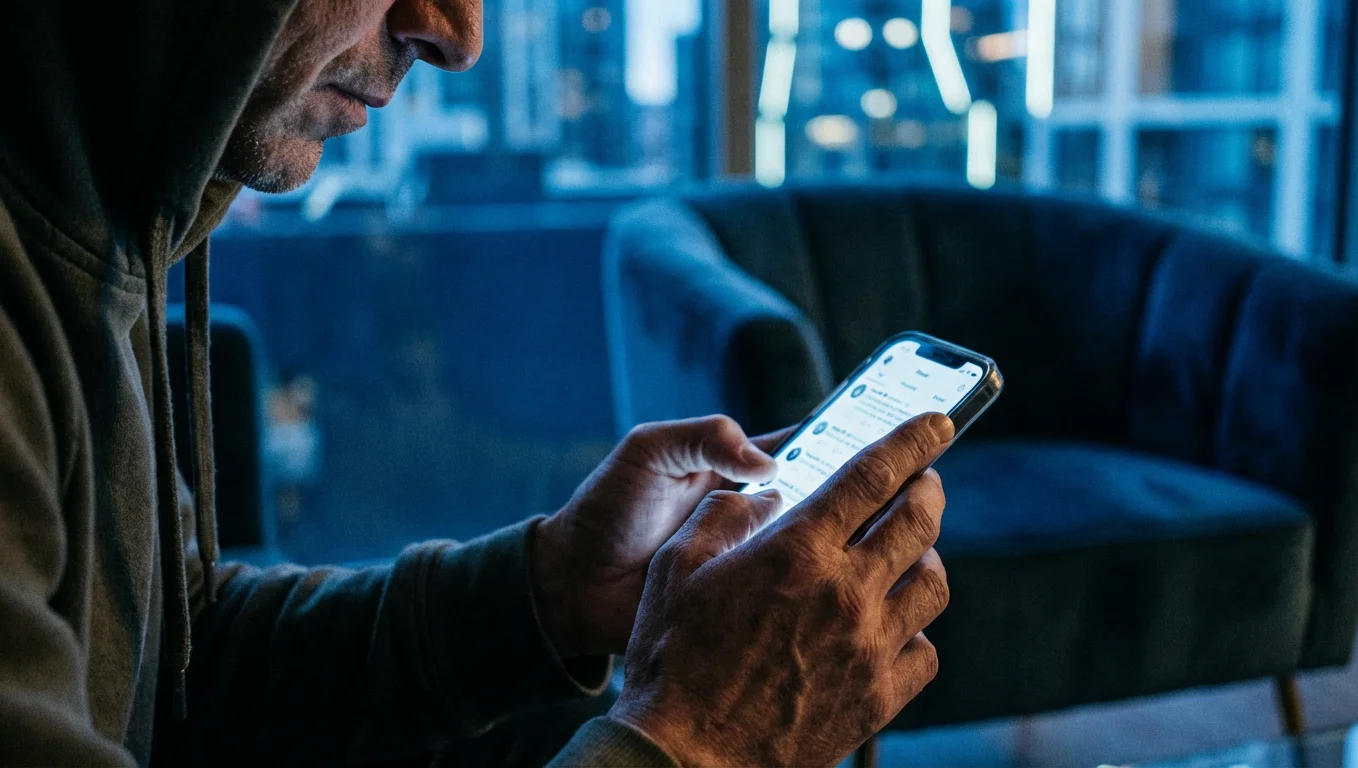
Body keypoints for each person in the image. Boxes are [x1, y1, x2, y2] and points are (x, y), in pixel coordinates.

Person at [0, 0, 953, 764]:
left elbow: (180, 672)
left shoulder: (92, 246)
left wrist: (552, 588)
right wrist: (699, 744)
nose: (455, 33)